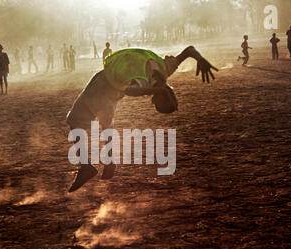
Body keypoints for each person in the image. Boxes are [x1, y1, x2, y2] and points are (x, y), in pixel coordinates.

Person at [66, 46, 218, 192]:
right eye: (155, 101)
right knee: (106, 123)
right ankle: (110, 162)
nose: (151, 101)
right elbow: (129, 90)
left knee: (75, 120)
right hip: (113, 89)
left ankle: (86, 167)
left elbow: (189, 50)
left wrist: (200, 58)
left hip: (105, 83)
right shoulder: (151, 79)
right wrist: (153, 90)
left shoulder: (165, 69)